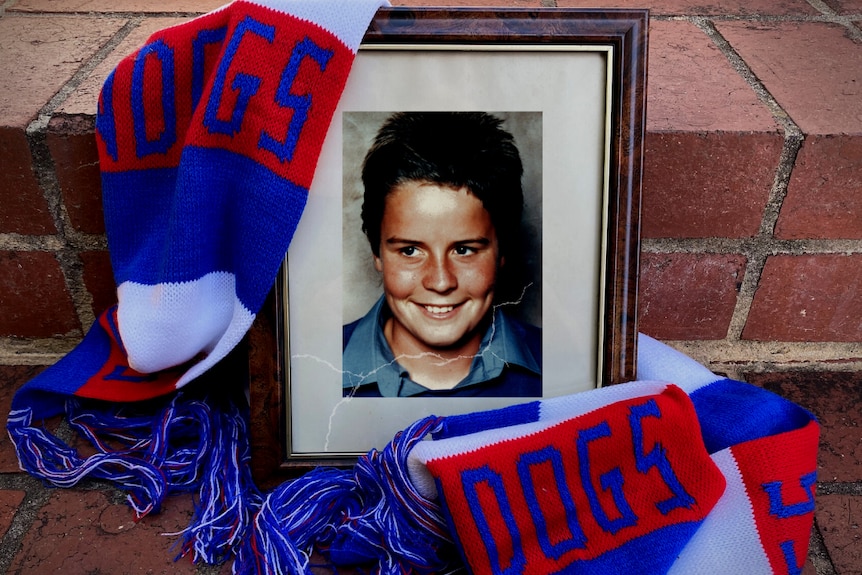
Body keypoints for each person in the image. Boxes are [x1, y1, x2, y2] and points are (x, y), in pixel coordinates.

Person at [342, 112, 541, 397]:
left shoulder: (558, 368)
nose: (440, 282)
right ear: (377, 251)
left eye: (464, 250)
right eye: (410, 251)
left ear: (502, 250)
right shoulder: (314, 372)